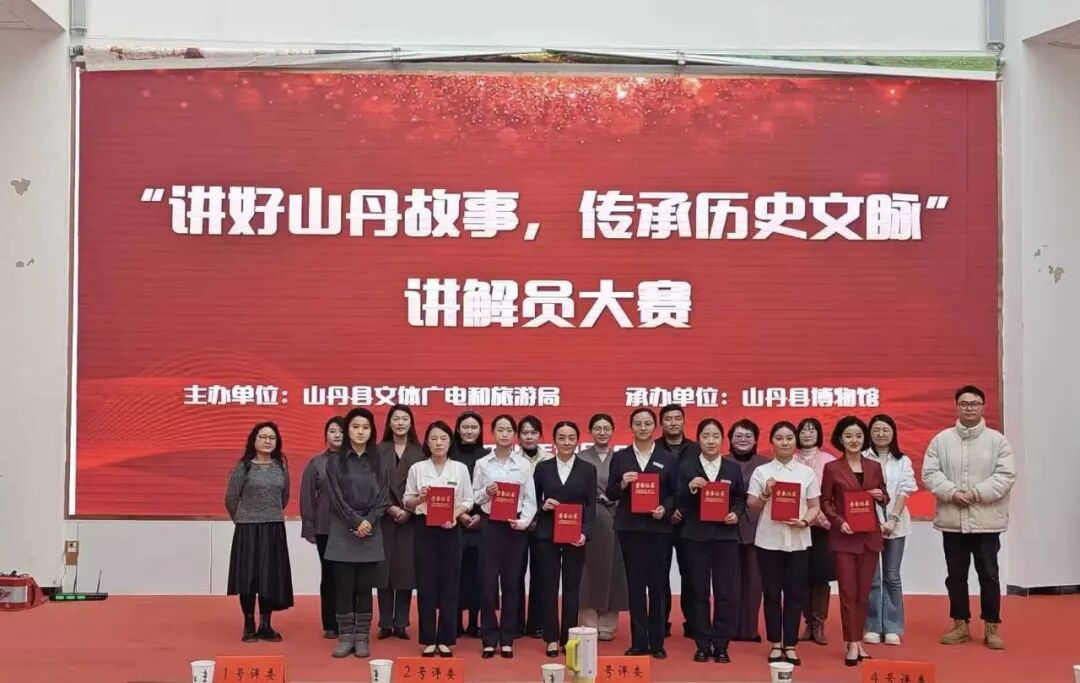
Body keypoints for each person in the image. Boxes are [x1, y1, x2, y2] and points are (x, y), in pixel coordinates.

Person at [923, 385, 1016, 650]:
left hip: (986, 522)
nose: (969, 408)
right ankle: (960, 624)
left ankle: (992, 626)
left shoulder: (997, 441)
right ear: (957, 407)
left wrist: (975, 494)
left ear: (983, 406)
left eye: (974, 403)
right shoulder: (941, 440)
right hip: (953, 522)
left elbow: (1006, 475)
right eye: (964, 404)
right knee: (955, 576)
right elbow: (930, 473)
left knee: (989, 575)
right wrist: (952, 493)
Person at [746, 421, 820, 667]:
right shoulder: (762, 472)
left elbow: (814, 506)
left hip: (799, 541)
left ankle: (790, 644)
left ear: (795, 441)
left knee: (795, 595)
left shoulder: (806, 473)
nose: (785, 442)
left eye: (789, 438)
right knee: (771, 594)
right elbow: (752, 506)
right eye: (779, 438)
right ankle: (776, 643)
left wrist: (805, 521)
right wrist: (766, 493)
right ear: (772, 442)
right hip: (769, 542)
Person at [605, 407, 677, 659]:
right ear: (631, 427)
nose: (643, 428)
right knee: (635, 585)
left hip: (658, 529)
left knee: (657, 585)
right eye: (638, 423)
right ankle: (638, 642)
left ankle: (657, 642)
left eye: (647, 423)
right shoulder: (621, 457)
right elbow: (610, 492)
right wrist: (623, 484)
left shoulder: (667, 457)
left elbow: (675, 492)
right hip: (630, 528)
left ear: (654, 427)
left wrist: (665, 509)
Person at [677, 418, 746, 664]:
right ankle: (702, 644)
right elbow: (678, 501)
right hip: (695, 536)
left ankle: (722, 644)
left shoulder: (732, 468)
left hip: (724, 537)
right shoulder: (687, 467)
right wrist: (690, 489)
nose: (711, 441)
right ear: (699, 439)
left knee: (725, 591)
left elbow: (739, 499)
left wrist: (735, 514)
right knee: (698, 590)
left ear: (722, 440)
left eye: (715, 436)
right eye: (706, 436)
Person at [404, 421, 475, 657]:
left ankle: (445, 638)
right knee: (425, 584)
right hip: (424, 529)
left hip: (450, 530)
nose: (438, 443)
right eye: (434, 438)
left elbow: (468, 500)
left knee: (449, 584)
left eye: (443, 438)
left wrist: (454, 515)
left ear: (450, 442)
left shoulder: (459, 469)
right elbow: (407, 502)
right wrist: (419, 498)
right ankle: (427, 638)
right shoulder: (417, 468)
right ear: (427, 442)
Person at [821, 416, 887, 667]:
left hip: (869, 537)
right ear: (840, 438)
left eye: (858, 436)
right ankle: (850, 642)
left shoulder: (874, 466)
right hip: (845, 539)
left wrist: (881, 496)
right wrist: (839, 522)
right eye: (848, 436)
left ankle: (859, 641)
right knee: (848, 594)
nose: (854, 440)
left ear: (864, 438)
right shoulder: (832, 468)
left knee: (863, 594)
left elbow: (884, 496)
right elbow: (826, 502)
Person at [324, 408, 391, 659]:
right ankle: (345, 637)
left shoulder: (379, 460)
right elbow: (335, 498)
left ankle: (362, 637)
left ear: (372, 431)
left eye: (365, 427)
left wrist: (368, 521)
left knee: (364, 588)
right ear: (347, 430)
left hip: (371, 530)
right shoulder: (335, 461)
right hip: (343, 530)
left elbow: (384, 497)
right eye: (355, 427)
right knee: (343, 587)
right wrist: (356, 520)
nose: (360, 431)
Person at [472, 414, 537, 659]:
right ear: (493, 433)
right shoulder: (482, 463)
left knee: (511, 584)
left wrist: (523, 522)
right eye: (500, 429)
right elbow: (475, 496)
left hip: (514, 527)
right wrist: (486, 493)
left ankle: (508, 637)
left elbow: (530, 499)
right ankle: (489, 638)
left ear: (514, 434)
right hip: (490, 526)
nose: (504, 434)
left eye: (509, 430)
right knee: (487, 585)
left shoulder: (523, 464)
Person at [225, 422, 295, 643]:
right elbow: (231, 498)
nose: (267, 441)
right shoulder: (243, 467)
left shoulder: (281, 467)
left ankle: (266, 624)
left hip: (273, 528)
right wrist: (243, 519)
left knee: (269, 577)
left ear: (277, 442)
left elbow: (284, 498)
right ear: (254, 441)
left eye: (272, 438)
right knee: (248, 578)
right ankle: (249, 623)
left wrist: (269, 512)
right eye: (263, 437)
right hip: (248, 529)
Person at [534, 421, 597, 656]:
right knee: (548, 586)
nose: (566, 442)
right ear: (554, 441)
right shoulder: (543, 467)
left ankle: (568, 636)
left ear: (577, 440)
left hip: (575, 535)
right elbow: (532, 498)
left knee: (571, 588)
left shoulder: (587, 469)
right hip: (547, 534)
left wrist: (585, 533)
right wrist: (543, 504)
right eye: (561, 437)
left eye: (571, 437)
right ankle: (551, 637)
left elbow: (590, 506)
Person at [863, 414, 917, 646]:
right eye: (876, 430)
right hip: (868, 525)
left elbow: (905, 490)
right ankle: (873, 625)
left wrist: (893, 519)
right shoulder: (862, 457)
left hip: (897, 525)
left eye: (885, 430)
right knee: (873, 578)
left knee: (892, 576)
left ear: (893, 433)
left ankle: (893, 626)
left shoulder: (903, 460)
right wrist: (875, 521)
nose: (881, 434)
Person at [374, 405, 426, 641]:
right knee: (383, 572)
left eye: (405, 419)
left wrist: (408, 510)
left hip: (410, 519)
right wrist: (390, 507)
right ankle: (385, 622)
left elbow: (424, 486)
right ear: (389, 423)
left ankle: (401, 623)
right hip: (383, 517)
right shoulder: (378, 450)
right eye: (396, 419)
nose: (400, 423)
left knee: (406, 571)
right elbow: (373, 484)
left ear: (411, 423)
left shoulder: (420, 452)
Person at [577, 413, 629, 641]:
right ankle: (588, 621)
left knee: (615, 568)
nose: (602, 432)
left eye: (606, 428)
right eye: (597, 428)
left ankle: (608, 623)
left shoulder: (621, 458)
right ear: (590, 431)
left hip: (617, 516)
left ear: (612, 431)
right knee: (588, 568)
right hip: (590, 516)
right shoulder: (581, 457)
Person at [655, 403, 701, 639]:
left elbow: (704, 482)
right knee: (659, 575)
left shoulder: (697, 449)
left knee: (691, 575)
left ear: (683, 421)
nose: (673, 422)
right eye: (668, 419)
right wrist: (667, 509)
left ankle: (693, 623)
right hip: (659, 521)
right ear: (661, 423)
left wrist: (681, 509)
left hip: (689, 522)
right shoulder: (652, 449)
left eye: (677, 418)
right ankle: (659, 624)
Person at [724, 419, 770, 643]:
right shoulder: (721, 462)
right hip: (727, 525)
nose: (743, 440)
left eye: (748, 436)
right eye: (738, 435)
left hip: (758, 527)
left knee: (754, 581)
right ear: (730, 439)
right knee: (730, 581)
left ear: (755, 440)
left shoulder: (766, 465)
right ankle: (729, 627)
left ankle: (750, 630)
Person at [300, 416, 345, 639]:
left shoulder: (359, 462)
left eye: (342, 431)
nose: (337, 435)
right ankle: (330, 623)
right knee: (329, 575)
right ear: (326, 435)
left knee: (351, 576)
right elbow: (307, 496)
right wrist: (309, 526)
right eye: (333, 431)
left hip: (353, 528)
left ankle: (350, 620)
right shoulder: (316, 463)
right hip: (326, 527)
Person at [794, 417, 836, 646]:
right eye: (803, 430)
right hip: (797, 526)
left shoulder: (829, 461)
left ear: (819, 434)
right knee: (800, 575)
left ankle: (819, 624)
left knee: (820, 575)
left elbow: (834, 495)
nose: (807, 434)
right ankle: (807, 622)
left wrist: (820, 517)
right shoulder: (790, 460)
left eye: (812, 431)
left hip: (822, 528)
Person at [450, 411, 487, 639]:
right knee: (454, 573)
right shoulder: (449, 455)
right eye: (465, 427)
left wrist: (481, 515)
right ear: (458, 429)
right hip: (453, 523)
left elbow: (492, 490)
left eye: (474, 427)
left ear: (480, 430)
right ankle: (454, 622)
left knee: (478, 574)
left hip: (482, 524)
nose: (469, 431)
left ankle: (475, 623)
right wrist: (460, 514)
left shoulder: (487, 457)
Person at [514, 415, 551, 639]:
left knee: (541, 574)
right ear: (518, 436)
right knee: (515, 573)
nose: (529, 437)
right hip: (516, 523)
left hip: (543, 523)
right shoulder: (512, 460)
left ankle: (537, 623)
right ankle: (515, 623)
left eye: (533, 433)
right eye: (525, 433)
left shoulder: (549, 460)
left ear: (540, 435)